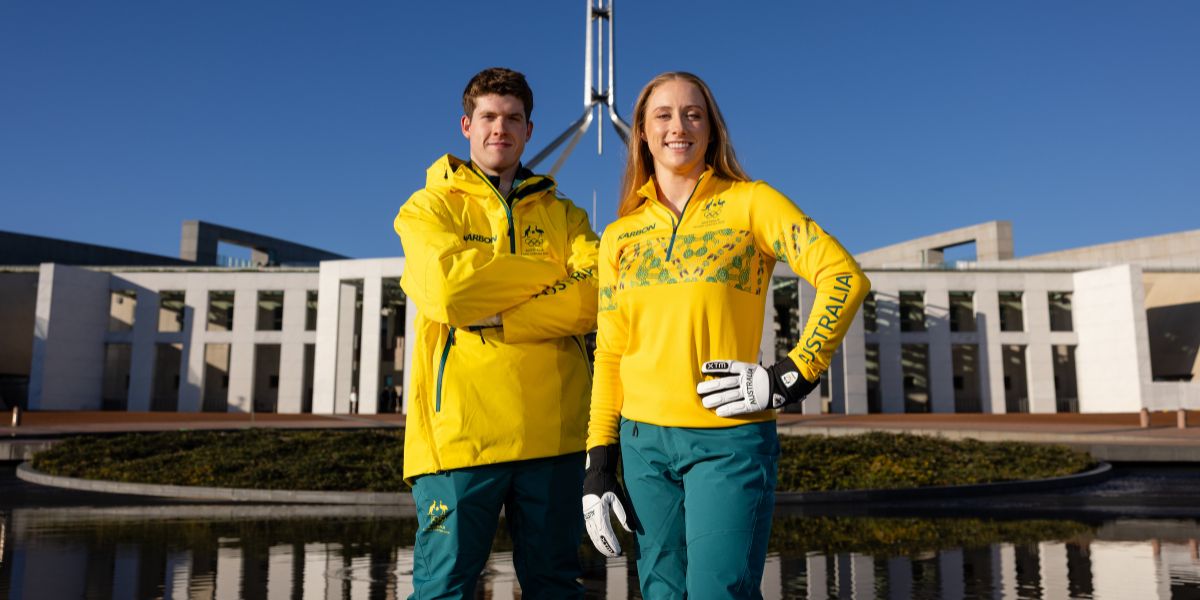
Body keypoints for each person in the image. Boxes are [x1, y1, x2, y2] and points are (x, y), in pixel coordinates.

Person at [582, 72, 870, 599]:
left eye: (693, 114)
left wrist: (790, 376)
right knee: (661, 593)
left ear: (711, 129)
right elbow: (611, 353)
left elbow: (844, 278)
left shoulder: (752, 203)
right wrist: (598, 462)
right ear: (642, 132)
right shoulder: (620, 235)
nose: (678, 126)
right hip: (643, 446)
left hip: (729, 439)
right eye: (663, 115)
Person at [394, 67, 599, 599]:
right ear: (466, 125)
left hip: (555, 435)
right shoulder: (429, 207)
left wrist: (503, 314)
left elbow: (597, 294)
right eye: (487, 117)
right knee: (444, 589)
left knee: (555, 587)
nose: (499, 128)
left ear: (529, 130)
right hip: (459, 436)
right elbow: (449, 292)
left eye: (512, 118)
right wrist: (550, 274)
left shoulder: (565, 215)